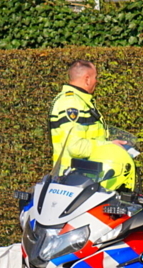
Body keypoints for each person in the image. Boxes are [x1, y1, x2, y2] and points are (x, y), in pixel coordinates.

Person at [49, 60, 135, 190]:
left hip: (81, 179)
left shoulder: (81, 101)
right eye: (95, 77)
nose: (97, 81)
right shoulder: (72, 103)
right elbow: (76, 147)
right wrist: (108, 146)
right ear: (87, 79)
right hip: (72, 181)